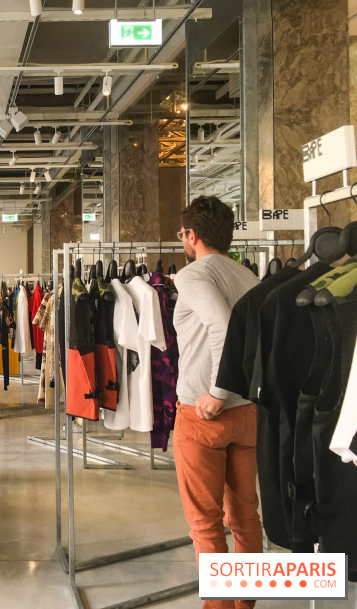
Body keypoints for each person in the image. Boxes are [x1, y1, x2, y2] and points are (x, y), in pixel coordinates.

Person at [172, 196, 262, 609]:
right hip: (247, 411)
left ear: (192, 236)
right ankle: (244, 603)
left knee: (204, 522)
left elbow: (222, 328)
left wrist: (215, 392)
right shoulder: (248, 276)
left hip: (204, 411)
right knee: (245, 516)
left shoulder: (193, 274)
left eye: (183, 234)